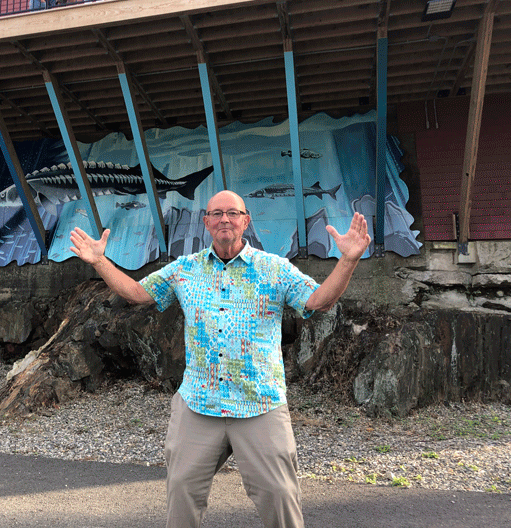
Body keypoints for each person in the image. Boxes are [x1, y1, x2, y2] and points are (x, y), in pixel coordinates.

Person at [70, 190, 371, 528]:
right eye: (216, 213)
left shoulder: (275, 270)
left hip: (260, 403)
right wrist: (98, 261)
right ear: (206, 222)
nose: (224, 219)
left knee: (280, 496)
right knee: (181, 492)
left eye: (232, 212)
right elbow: (138, 293)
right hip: (199, 402)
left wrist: (348, 260)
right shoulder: (185, 269)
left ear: (246, 220)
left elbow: (319, 301)